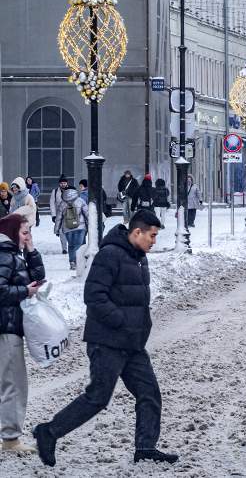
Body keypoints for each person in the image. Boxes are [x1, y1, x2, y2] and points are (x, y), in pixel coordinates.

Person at [33, 210, 177, 467]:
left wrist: (140, 327)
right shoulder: (110, 255)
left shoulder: (139, 257)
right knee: (98, 397)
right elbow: (94, 296)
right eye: (152, 236)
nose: (154, 241)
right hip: (107, 342)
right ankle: (49, 432)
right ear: (137, 232)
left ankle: (145, 447)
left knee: (150, 394)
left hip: (132, 344)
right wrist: (120, 321)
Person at [0, 213, 45, 454]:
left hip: (11, 326)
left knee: (13, 383)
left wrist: (30, 248)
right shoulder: (4, 255)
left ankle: (10, 435)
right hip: (5, 328)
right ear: (12, 231)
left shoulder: (14, 254)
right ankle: (10, 439)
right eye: (24, 231)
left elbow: (39, 276)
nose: (28, 236)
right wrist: (24, 292)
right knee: (14, 385)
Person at [54, 188, 89, 270]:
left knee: (71, 245)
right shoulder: (80, 201)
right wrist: (90, 226)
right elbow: (87, 214)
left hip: (67, 228)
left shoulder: (62, 203)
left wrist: (56, 229)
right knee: (78, 245)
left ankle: (72, 262)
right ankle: (78, 262)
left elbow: (58, 218)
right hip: (80, 227)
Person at [50, 176, 70, 254]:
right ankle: (64, 248)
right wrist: (53, 215)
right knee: (62, 232)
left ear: (67, 183)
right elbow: (52, 203)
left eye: (64, 183)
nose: (63, 184)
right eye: (61, 183)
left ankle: (71, 246)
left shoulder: (71, 191)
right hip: (60, 215)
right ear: (59, 184)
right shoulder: (55, 192)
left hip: (70, 214)